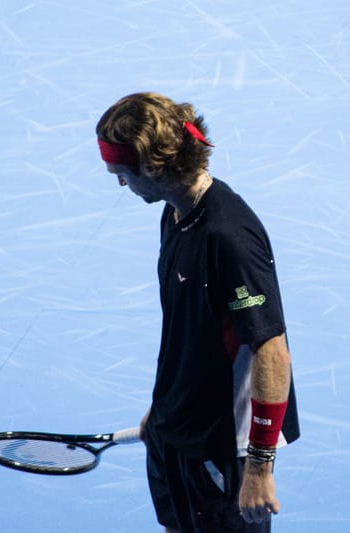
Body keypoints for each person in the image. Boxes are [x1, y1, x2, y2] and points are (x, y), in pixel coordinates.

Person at [96, 92, 299, 533]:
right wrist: (166, 406)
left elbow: (272, 353)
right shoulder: (174, 213)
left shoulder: (227, 237)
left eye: (122, 174)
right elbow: (191, 332)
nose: (120, 185)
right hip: (176, 429)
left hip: (220, 445)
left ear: (152, 168)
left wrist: (260, 467)